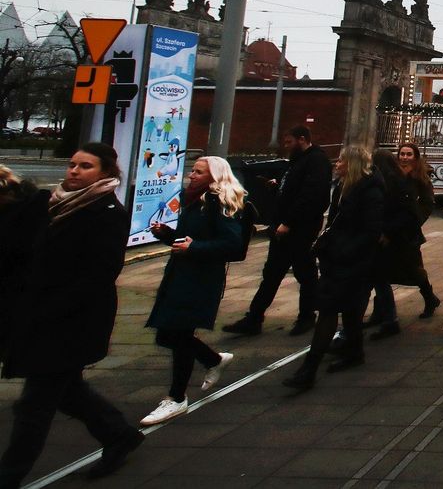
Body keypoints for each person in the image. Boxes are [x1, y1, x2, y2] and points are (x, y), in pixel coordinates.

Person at [0, 149, 142, 487]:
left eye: (85, 166)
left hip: (71, 321)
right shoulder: (55, 202)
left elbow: (98, 275)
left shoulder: (106, 212)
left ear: (106, 172)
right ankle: (119, 434)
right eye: (72, 164)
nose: (75, 171)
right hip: (44, 314)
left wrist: (49, 310)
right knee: (67, 391)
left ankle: (9, 476)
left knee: (34, 405)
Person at [140, 157, 247, 426]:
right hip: (182, 274)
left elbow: (233, 245)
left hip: (200, 278)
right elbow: (190, 237)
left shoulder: (219, 201)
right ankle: (212, 360)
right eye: (192, 170)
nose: (191, 175)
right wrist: (166, 234)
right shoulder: (195, 199)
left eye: (199, 172)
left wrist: (193, 249)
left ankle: (176, 398)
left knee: (177, 331)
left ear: (214, 176)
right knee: (171, 332)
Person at [282, 145, 384, 391]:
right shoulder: (342, 187)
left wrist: (343, 251)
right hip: (338, 259)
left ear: (353, 164)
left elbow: (370, 231)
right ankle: (354, 352)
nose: (337, 164)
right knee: (349, 311)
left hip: (353, 261)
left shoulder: (370, 191)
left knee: (329, 311)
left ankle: (309, 368)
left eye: (341, 161)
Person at [225, 126, 332, 336]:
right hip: (285, 227)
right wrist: (278, 187)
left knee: (304, 273)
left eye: (289, 142)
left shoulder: (316, 160)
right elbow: (297, 188)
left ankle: (306, 316)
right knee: (273, 273)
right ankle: (255, 317)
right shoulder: (299, 160)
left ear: (302, 139)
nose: (286, 146)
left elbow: (311, 196)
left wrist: (289, 222)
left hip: (300, 228)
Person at [366, 150, 441, 340]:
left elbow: (425, 204)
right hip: (392, 233)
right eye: (402, 154)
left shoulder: (419, 178)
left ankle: (429, 297)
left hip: (408, 233)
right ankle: (380, 311)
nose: (405, 157)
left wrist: (416, 221)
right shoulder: (391, 177)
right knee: (383, 272)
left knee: (413, 269)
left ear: (415, 157)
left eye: (409, 154)